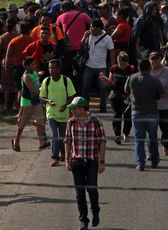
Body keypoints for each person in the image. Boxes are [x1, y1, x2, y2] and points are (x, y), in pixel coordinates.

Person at [64, 96, 106, 230]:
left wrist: (102, 161)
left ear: (82, 108)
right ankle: (83, 220)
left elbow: (102, 141)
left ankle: (95, 211)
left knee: (92, 189)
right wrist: (67, 160)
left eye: (74, 109)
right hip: (77, 161)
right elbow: (67, 141)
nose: (72, 111)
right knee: (79, 192)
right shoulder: (71, 122)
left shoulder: (95, 121)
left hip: (92, 160)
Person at [125, 57, 164, 171]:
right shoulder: (154, 80)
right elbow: (162, 94)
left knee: (139, 139)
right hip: (152, 112)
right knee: (152, 138)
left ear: (138, 67)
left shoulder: (132, 78)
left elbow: (126, 90)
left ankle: (140, 163)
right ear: (149, 67)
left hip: (137, 112)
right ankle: (155, 161)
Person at [40, 58, 76, 166]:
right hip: (51, 113)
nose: (52, 70)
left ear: (59, 68)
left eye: (54, 67)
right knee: (54, 136)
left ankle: (64, 154)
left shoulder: (66, 80)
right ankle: (54, 157)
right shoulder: (46, 81)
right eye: (50, 68)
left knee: (62, 137)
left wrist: (65, 106)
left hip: (64, 114)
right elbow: (42, 96)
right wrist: (47, 101)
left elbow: (71, 95)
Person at [11, 56, 50, 152]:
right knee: (22, 123)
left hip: (36, 101)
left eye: (35, 64)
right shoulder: (26, 76)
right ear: (27, 67)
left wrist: (39, 74)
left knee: (41, 120)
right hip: (27, 102)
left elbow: (36, 78)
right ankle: (16, 141)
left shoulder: (34, 73)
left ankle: (42, 143)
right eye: (32, 64)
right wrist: (44, 94)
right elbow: (32, 90)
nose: (35, 66)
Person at [81, 19, 115, 113]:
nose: (91, 29)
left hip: (101, 66)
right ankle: (85, 107)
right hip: (89, 65)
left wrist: (112, 66)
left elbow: (111, 51)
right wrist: (85, 36)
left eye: (93, 27)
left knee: (102, 88)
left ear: (99, 28)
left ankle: (103, 107)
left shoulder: (107, 38)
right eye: (90, 27)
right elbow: (81, 45)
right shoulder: (89, 35)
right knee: (86, 87)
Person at [101, 51, 134, 144]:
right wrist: (105, 81)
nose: (122, 67)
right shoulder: (114, 69)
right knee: (117, 115)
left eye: (124, 65)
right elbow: (110, 81)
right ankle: (117, 135)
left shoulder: (132, 69)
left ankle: (126, 133)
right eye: (120, 64)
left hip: (127, 96)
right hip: (115, 95)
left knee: (128, 115)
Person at [149, 50, 168, 156]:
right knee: (151, 132)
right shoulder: (146, 72)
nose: (154, 61)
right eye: (152, 59)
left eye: (156, 59)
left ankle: (165, 145)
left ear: (160, 59)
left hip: (165, 106)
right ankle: (152, 152)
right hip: (151, 107)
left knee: (166, 131)